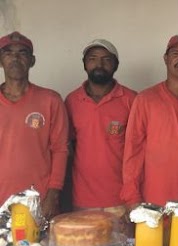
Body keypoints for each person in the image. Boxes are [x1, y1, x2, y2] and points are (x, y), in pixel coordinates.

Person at [121, 33, 178, 217]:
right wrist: (132, 198)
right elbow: (133, 152)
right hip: (151, 207)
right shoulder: (145, 100)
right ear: (166, 59)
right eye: (176, 53)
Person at [0, 32, 68, 219]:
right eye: (8, 52)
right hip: (1, 201)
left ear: (32, 60)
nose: (15, 58)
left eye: (22, 53)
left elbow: (60, 150)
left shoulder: (50, 100)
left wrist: (52, 196)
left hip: (39, 201)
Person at [65, 39, 136, 213]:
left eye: (106, 59)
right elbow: (66, 149)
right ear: (84, 64)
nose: (99, 64)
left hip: (122, 200)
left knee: (123, 242)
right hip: (82, 199)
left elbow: (139, 151)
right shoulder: (72, 101)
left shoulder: (132, 100)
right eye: (93, 58)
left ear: (116, 65)